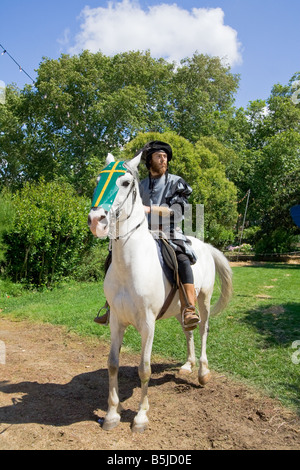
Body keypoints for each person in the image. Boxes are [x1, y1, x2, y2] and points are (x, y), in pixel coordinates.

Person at [94, 141, 200, 330]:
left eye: (165, 157)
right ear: (149, 161)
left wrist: (149, 209)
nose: (163, 159)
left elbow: (178, 210)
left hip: (168, 232)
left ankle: (188, 308)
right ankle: (111, 305)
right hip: (141, 232)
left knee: (182, 258)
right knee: (113, 257)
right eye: (159, 156)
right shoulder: (138, 184)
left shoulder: (176, 182)